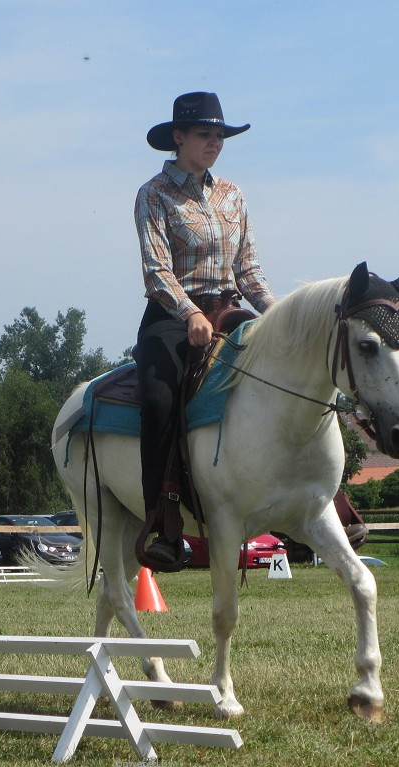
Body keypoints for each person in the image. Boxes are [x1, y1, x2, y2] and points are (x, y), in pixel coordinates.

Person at [134, 91, 277, 567]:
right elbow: (157, 272)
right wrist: (190, 313)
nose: (215, 142)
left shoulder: (232, 195)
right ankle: (163, 522)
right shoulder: (154, 194)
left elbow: (249, 269)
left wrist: (276, 316)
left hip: (231, 309)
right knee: (158, 396)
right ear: (179, 138)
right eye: (204, 134)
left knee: (286, 373)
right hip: (173, 320)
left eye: (220, 135)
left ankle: (310, 502)